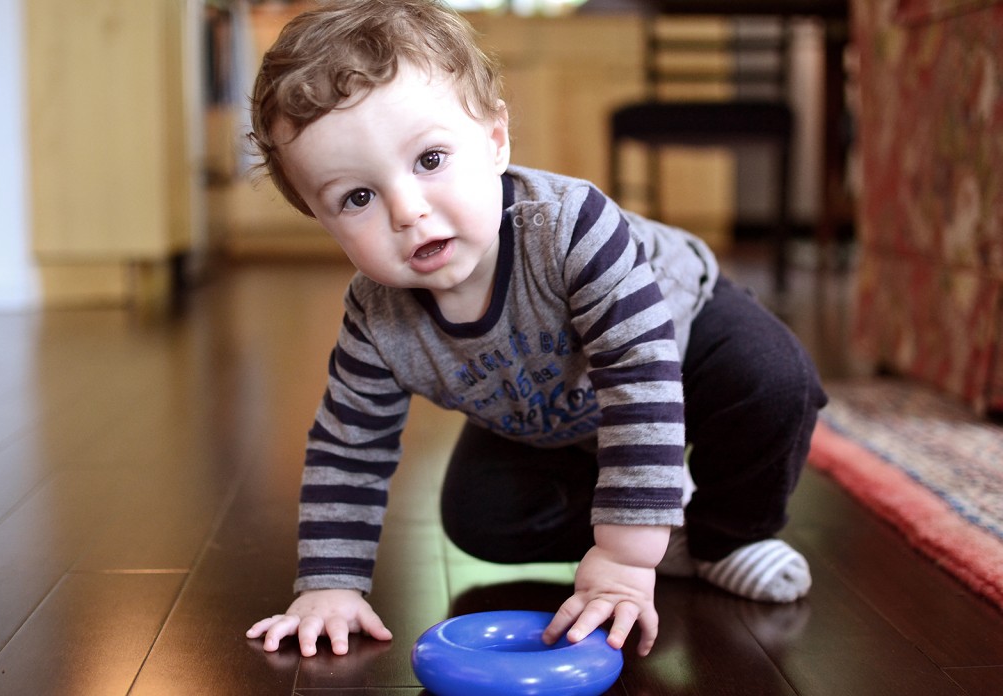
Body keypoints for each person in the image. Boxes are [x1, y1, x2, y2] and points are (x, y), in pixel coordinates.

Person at [245, 0, 827, 660]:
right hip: (548, 412)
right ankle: (671, 527)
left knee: (773, 378)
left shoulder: (570, 228)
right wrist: (329, 585)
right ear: (323, 222)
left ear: (495, 141)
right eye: (357, 197)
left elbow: (640, 383)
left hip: (673, 338)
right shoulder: (376, 317)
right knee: (481, 521)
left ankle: (723, 536)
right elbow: (350, 447)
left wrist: (624, 556)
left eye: (430, 160)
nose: (407, 210)